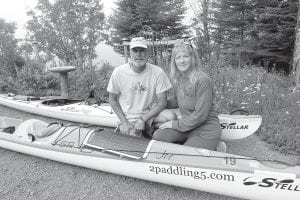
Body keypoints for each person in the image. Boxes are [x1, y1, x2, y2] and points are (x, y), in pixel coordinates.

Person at [152, 41, 222, 150]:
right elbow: (177, 100)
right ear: (174, 61)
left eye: (185, 56)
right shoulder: (180, 79)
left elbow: (200, 116)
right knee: (158, 136)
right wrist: (161, 104)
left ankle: (214, 147)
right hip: (187, 127)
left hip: (205, 130)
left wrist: (174, 124)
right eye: (178, 58)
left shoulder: (203, 80)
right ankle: (190, 144)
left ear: (192, 58)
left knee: (184, 156)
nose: (182, 61)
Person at [107, 37, 174, 137]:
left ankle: (149, 129)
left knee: (171, 117)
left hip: (149, 115)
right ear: (130, 53)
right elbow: (112, 99)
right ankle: (144, 130)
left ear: (147, 53)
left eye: (142, 50)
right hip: (128, 117)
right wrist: (124, 123)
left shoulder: (158, 72)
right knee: (135, 138)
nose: (139, 54)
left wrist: (143, 119)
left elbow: (162, 102)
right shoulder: (119, 72)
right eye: (135, 51)